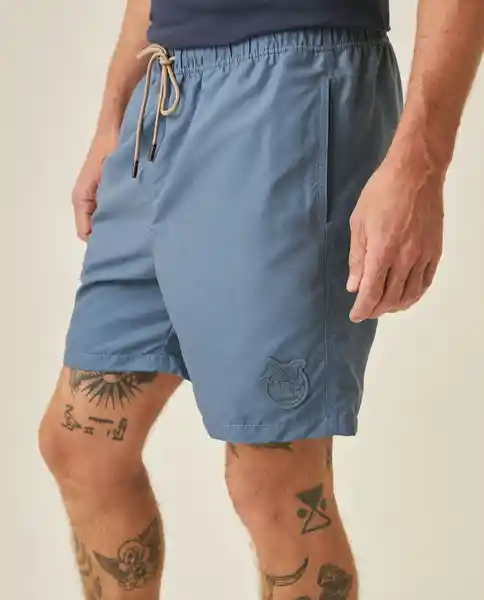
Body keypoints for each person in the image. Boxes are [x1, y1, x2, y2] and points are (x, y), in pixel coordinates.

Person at [39, 0, 483, 598]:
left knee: (274, 480)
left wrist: (421, 162)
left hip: (291, 87)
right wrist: (112, 118)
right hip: (163, 94)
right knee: (83, 444)